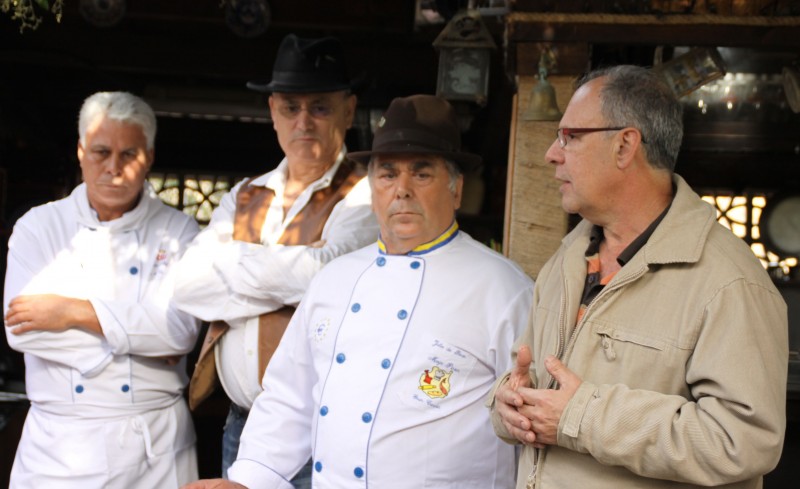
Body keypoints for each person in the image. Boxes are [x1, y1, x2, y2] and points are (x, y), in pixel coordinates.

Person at [180, 94, 534, 489]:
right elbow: (290, 397)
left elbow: (530, 421)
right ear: (371, 189)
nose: (401, 190)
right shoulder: (335, 279)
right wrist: (247, 479)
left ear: (455, 189)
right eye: (387, 174)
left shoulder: (504, 290)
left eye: (421, 174)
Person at [491, 65, 788, 489]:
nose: (551, 154)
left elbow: (743, 442)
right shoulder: (567, 260)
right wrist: (509, 403)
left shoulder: (729, 281)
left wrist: (581, 416)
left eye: (570, 137)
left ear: (625, 145)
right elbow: (538, 388)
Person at [172, 33, 379, 484]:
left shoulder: (366, 194)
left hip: (320, 429)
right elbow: (186, 284)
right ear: (273, 113)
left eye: (320, 106)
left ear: (348, 109)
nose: (303, 120)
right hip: (241, 424)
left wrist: (230, 266)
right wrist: (289, 277)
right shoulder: (247, 193)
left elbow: (326, 274)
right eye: (290, 107)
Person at [3, 91, 201, 488]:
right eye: (100, 152)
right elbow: (21, 328)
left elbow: (179, 331)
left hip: (154, 447)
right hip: (58, 448)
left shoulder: (179, 231)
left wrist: (72, 312)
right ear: (80, 152)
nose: (114, 167)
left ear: (150, 156)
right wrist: (140, 340)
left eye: (130, 154)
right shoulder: (39, 228)